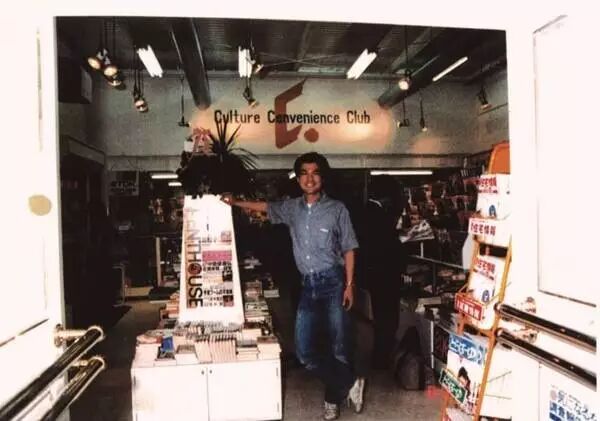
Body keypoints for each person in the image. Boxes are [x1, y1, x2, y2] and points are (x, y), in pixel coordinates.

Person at [222, 152, 364, 420]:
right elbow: (265, 206)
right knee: (304, 352)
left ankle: (332, 400)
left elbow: (349, 248)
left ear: (322, 177)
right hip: (308, 286)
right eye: (304, 174)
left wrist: (349, 284)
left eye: (315, 173)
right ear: (298, 179)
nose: (309, 179)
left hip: (333, 282)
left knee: (339, 346)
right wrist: (235, 202)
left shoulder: (337, 209)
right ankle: (349, 382)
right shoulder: (291, 208)